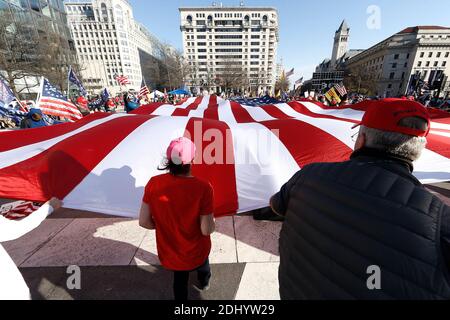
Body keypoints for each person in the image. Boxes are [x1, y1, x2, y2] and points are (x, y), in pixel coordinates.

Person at [272, 99, 450, 300]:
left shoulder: (309, 175)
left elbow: (277, 204)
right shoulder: (440, 220)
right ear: (418, 151)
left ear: (362, 139)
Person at [139, 137, 215, 301]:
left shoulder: (153, 183)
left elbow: (143, 221)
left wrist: (164, 226)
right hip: (196, 249)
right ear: (192, 160)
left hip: (171, 250)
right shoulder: (203, 187)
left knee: (179, 281)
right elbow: (206, 229)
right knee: (203, 263)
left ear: (168, 160)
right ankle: (204, 282)